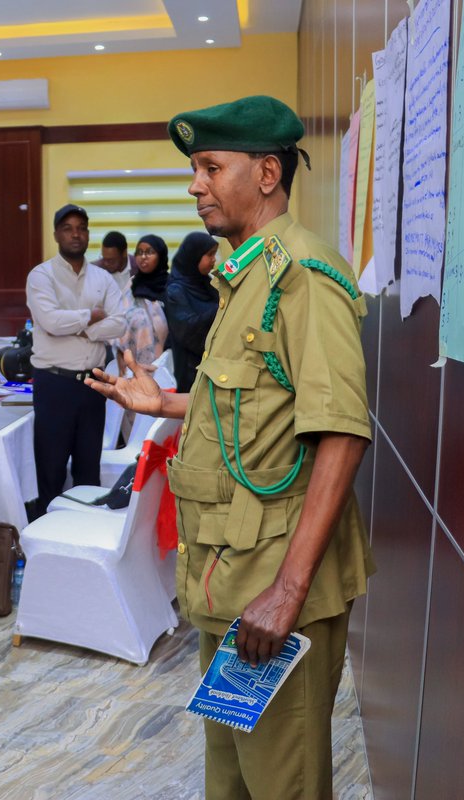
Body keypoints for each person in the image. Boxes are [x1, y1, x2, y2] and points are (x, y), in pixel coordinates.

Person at [85, 96, 374, 800]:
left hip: (278, 589)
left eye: (211, 167)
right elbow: (257, 399)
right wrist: (166, 403)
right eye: (195, 170)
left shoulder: (304, 277)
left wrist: (288, 590)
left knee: (283, 784)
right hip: (228, 579)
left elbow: (341, 430)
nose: (195, 185)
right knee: (231, 778)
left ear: (268, 173)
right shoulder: (245, 274)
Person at [26, 204, 127, 516]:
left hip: (92, 385)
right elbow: (51, 321)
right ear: (56, 233)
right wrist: (92, 317)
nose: (75, 234)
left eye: (81, 227)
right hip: (54, 384)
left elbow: (120, 322)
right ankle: (46, 541)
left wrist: (82, 328)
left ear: (88, 234)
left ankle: (85, 538)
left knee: (88, 472)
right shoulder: (41, 276)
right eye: (68, 228)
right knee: (51, 472)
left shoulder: (103, 278)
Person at [165, 231, 220, 393]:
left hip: (214, 368)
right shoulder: (176, 290)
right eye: (209, 255)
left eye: (214, 254)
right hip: (190, 372)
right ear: (194, 256)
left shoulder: (207, 284)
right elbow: (187, 329)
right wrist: (221, 308)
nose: (214, 260)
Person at [119, 234, 170, 365]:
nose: (143, 257)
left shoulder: (172, 285)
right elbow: (121, 318)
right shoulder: (131, 284)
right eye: (139, 252)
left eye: (149, 252)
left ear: (161, 255)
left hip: (168, 361)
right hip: (134, 362)